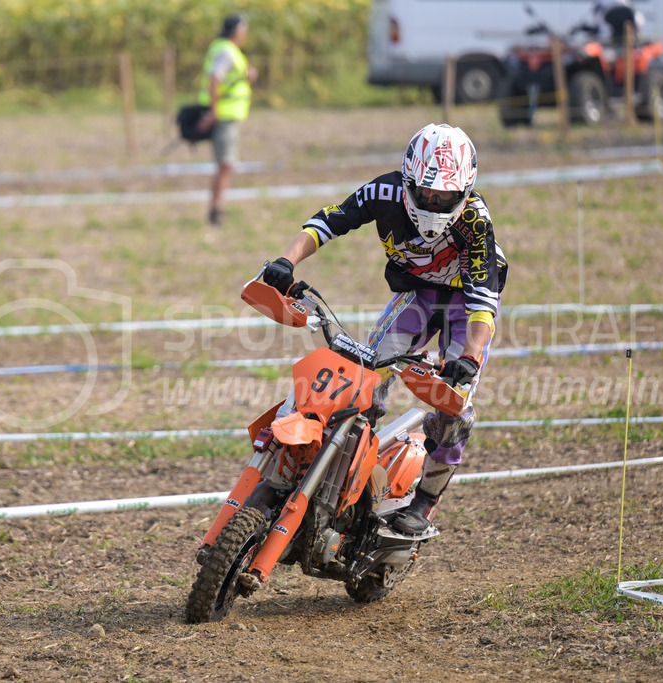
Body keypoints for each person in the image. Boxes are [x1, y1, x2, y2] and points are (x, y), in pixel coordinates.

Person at [260, 123, 508, 535]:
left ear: (464, 190)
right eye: (426, 192)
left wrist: (468, 357)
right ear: (408, 179)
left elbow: (484, 304)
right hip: (417, 293)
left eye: (445, 196)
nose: (433, 201)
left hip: (466, 305)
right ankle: (343, 471)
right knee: (364, 376)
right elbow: (330, 221)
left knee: (453, 410)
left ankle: (424, 504)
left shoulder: (476, 222)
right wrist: (286, 261)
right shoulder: (383, 192)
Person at [198, 13, 257, 226]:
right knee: (226, 164)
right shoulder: (226, 50)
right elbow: (215, 79)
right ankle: (216, 210)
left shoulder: (225, 49)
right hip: (224, 115)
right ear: (237, 31)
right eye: (243, 30)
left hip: (227, 115)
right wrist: (214, 112)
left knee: (226, 164)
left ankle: (216, 208)